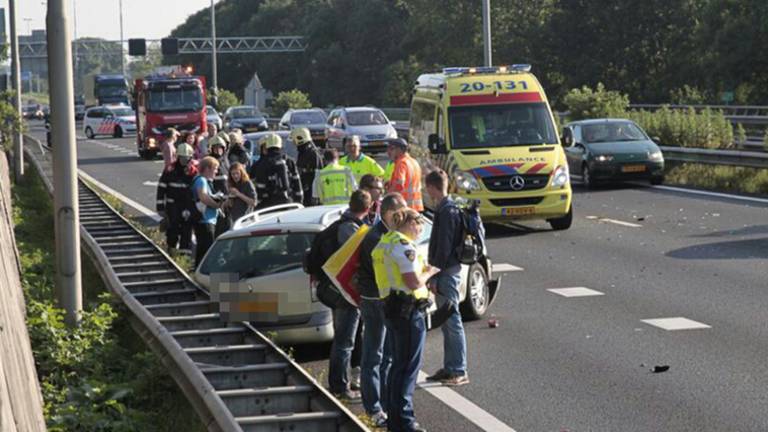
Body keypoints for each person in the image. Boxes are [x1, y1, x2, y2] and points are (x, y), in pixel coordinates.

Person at [372, 208, 433, 432]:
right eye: (419, 224)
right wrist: (429, 273)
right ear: (410, 223)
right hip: (408, 311)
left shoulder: (385, 242)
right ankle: (405, 422)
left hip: (393, 309)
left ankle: (396, 420)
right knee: (408, 369)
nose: (421, 229)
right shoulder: (404, 246)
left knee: (398, 367)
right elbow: (413, 282)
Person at [358, 193, 407, 427]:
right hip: (374, 300)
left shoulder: (387, 233)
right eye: (400, 212)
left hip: (384, 299)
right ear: (388, 212)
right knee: (374, 356)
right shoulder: (376, 237)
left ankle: (386, 405)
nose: (403, 216)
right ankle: (374, 409)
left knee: (387, 355)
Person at [424, 170, 469, 387]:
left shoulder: (446, 211)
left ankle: (458, 369)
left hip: (447, 273)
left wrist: (434, 275)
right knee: (447, 321)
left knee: (452, 321)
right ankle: (451, 366)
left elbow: (442, 248)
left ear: (432, 187)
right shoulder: (447, 208)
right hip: (449, 271)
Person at [328, 190, 372, 401]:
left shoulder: (343, 224)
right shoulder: (350, 229)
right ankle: (339, 387)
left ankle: (342, 383)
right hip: (346, 293)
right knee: (345, 341)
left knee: (346, 339)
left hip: (343, 290)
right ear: (368, 208)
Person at [156, 143, 197, 254]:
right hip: (172, 206)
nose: (184, 160)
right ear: (178, 157)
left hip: (187, 206)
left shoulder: (193, 171)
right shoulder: (170, 170)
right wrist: (160, 207)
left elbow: (198, 190)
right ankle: (171, 251)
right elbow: (161, 188)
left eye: (186, 158)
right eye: (182, 158)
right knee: (172, 229)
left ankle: (184, 255)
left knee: (186, 230)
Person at [251, 133, 303, 209]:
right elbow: (297, 183)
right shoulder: (289, 161)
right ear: (281, 145)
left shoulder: (262, 164)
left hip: (268, 206)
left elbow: (260, 188)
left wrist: (258, 204)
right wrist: (299, 201)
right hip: (288, 204)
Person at [191, 156, 225, 267]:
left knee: (203, 250)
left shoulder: (204, 181)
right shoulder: (201, 180)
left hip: (208, 220)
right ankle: (206, 277)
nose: (216, 171)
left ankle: (199, 274)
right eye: (215, 168)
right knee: (207, 250)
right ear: (207, 169)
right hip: (205, 220)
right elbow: (203, 197)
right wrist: (216, 205)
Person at [386, 138, 423, 212]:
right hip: (415, 207)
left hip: (404, 207)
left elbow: (399, 184)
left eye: (391, 149)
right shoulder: (413, 161)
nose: (388, 152)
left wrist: (388, 197)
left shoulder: (401, 163)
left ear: (399, 150)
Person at [292, 127, 324, 206]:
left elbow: (318, 175)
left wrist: (314, 195)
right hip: (305, 191)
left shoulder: (313, 154)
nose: (294, 143)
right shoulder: (303, 152)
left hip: (311, 194)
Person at [207, 136, 231, 236]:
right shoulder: (208, 162)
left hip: (227, 203)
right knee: (217, 231)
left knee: (227, 228)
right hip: (215, 204)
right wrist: (217, 202)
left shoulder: (225, 161)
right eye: (215, 148)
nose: (218, 150)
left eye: (220, 148)